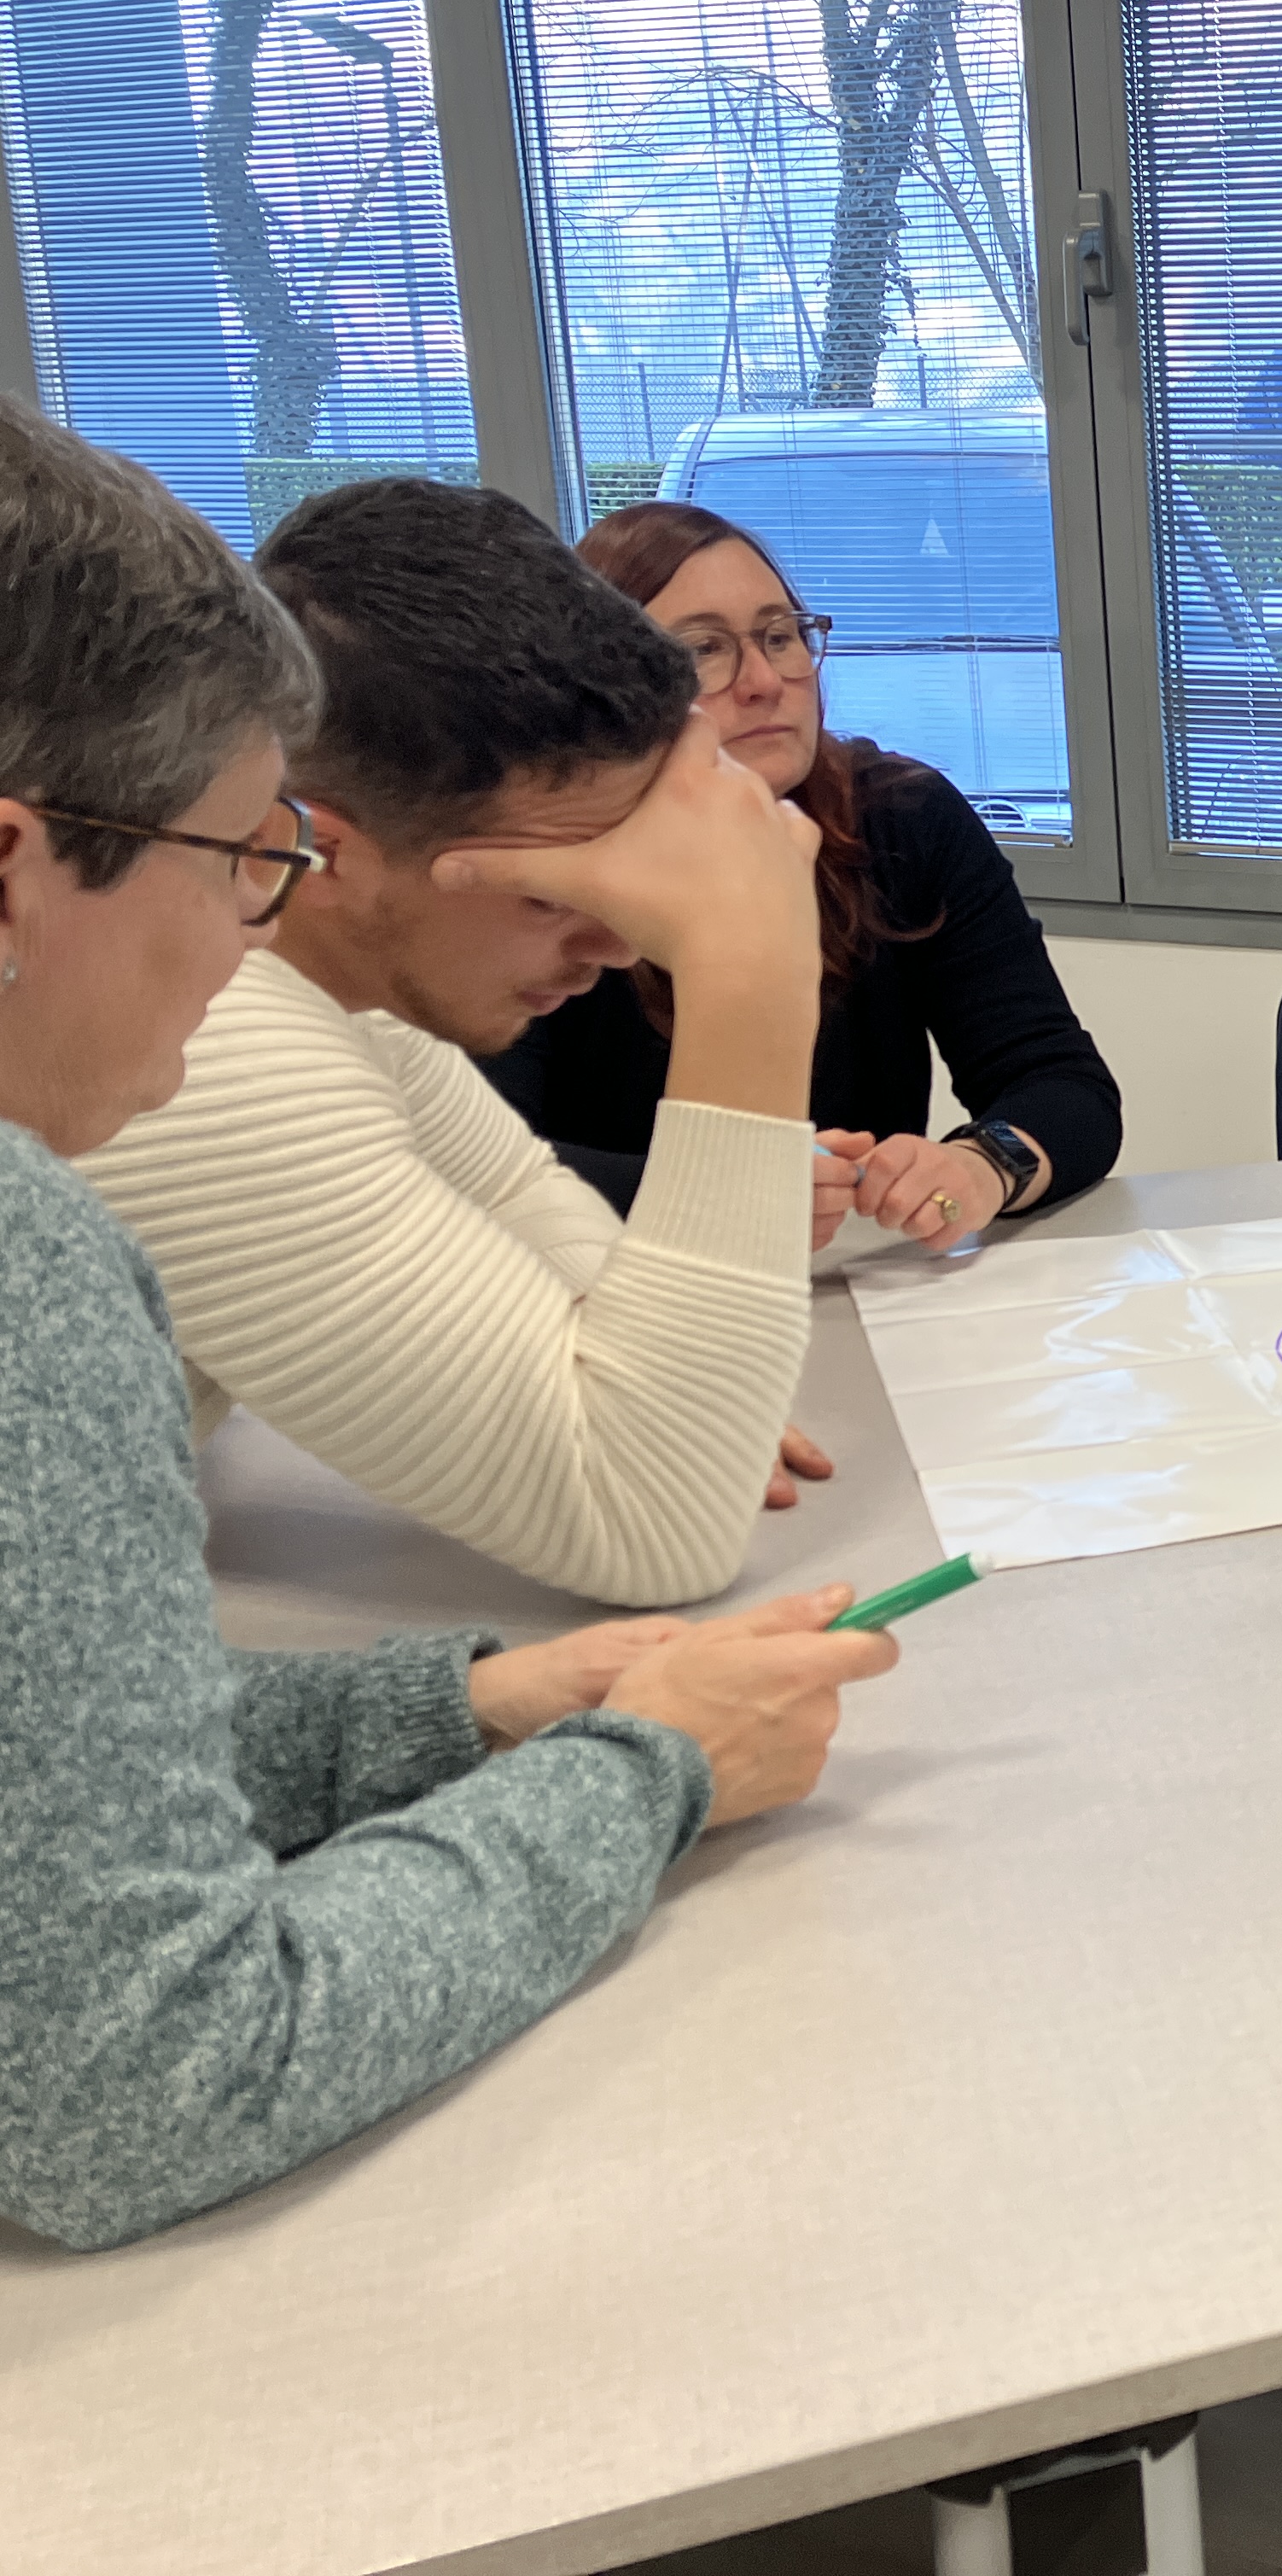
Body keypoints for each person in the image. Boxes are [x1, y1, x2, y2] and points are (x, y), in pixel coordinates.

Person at [0, 401, 896, 2253]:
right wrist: (647, 1771)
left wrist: (449, 1710)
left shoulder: (310, 1009)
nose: (254, 926)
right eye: (234, 857)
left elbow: (50, 1758)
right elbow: (146, 2087)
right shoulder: (73, 1205)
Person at [79, 478, 836, 1609]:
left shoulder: (316, 964)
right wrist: (756, 972)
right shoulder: (209, 1052)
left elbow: (518, 1196)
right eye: (552, 891)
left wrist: (686, 1391)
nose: (619, 942)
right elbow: (660, 1529)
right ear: (325, 855)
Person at [484, 499, 1122, 1253]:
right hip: (600, 1280)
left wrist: (981, 1166)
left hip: (865, 1286)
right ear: (599, 689)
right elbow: (481, 1168)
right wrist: (727, 1191)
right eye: (703, 650)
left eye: (779, 636)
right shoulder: (535, 870)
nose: (763, 680)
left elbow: (1063, 1085)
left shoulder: (901, 818)